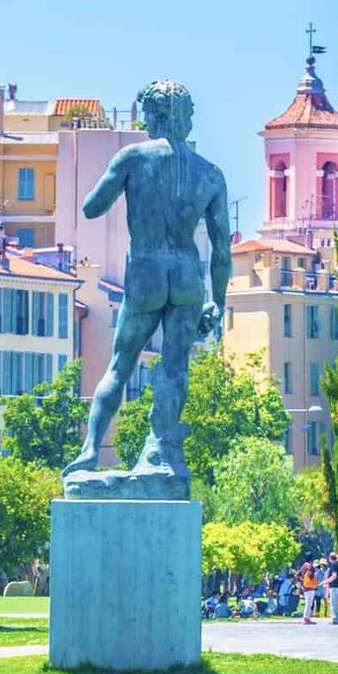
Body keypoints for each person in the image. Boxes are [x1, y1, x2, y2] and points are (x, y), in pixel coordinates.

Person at [62, 80, 230, 493]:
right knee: (175, 365)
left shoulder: (133, 158)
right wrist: (219, 303)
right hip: (189, 275)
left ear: (151, 117)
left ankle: (89, 452)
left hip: (148, 271)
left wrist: (124, 180)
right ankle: (160, 450)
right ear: (187, 118)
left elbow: (91, 207)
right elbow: (223, 250)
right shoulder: (210, 173)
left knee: (120, 364)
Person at [324, 553, 338, 625]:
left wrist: (326, 581)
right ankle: (337, 619)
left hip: (334, 586)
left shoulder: (333, 565)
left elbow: (334, 576)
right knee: (335, 602)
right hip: (337, 586)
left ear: (330, 558)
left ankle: (335, 619)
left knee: (333, 603)